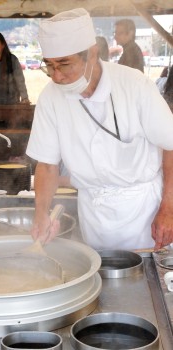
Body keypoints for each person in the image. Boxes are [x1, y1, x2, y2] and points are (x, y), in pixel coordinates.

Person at [26, 8, 173, 251]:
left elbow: (171, 144)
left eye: (64, 64)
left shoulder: (134, 85)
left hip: (145, 215)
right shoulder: (50, 98)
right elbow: (47, 164)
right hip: (94, 218)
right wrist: (41, 214)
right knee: (102, 279)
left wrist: (168, 208)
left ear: (92, 54)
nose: (57, 76)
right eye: (50, 67)